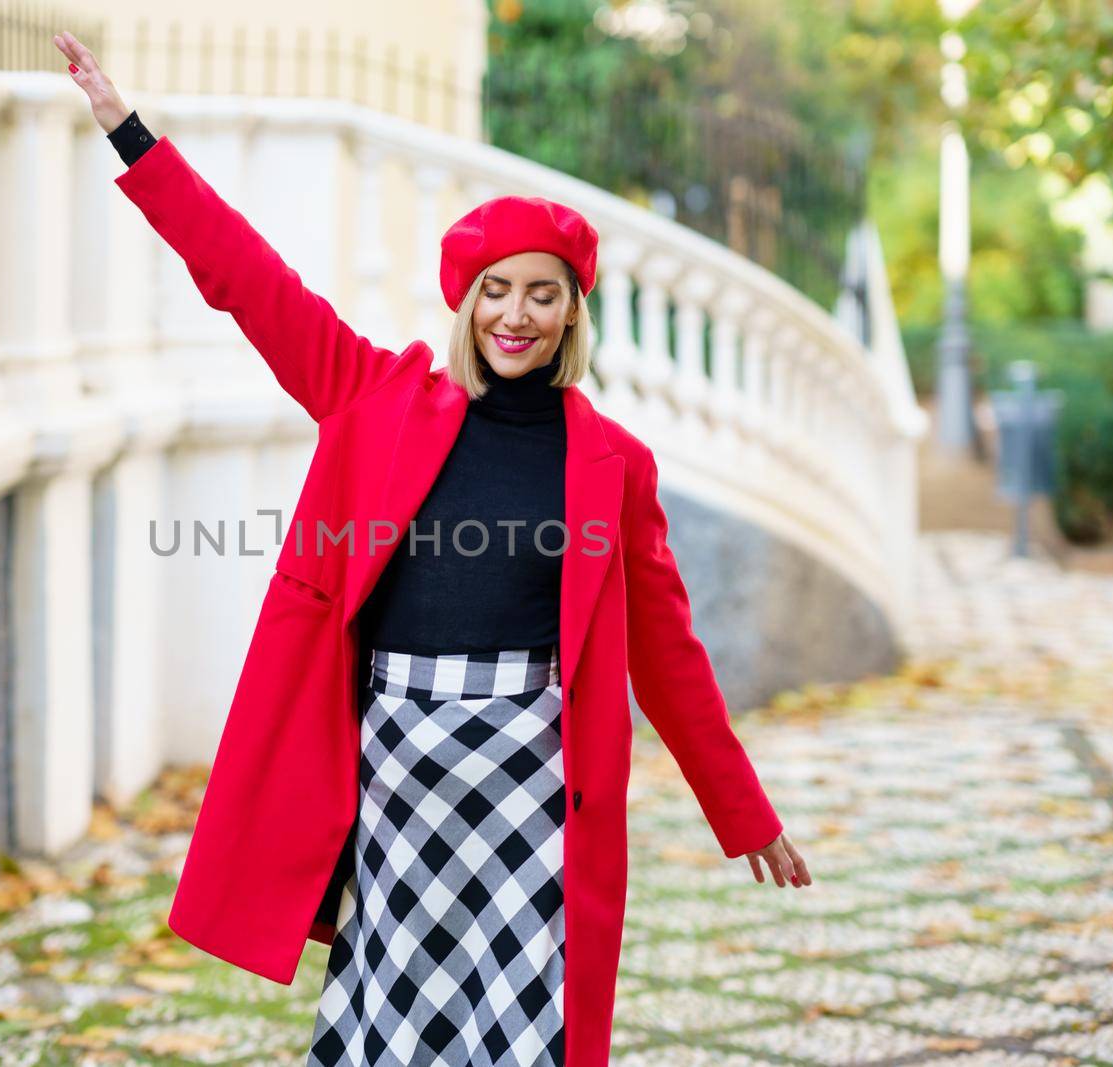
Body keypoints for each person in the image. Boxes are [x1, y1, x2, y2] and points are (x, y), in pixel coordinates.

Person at [53, 30, 810, 1067]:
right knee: (394, 1012)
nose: (516, 313)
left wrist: (744, 811)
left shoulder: (613, 463)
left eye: (542, 293)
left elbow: (667, 657)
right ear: (466, 299)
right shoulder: (375, 397)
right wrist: (131, 136)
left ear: (570, 312)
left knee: (522, 1015)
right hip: (398, 762)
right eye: (496, 289)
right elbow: (249, 281)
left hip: (532, 778)